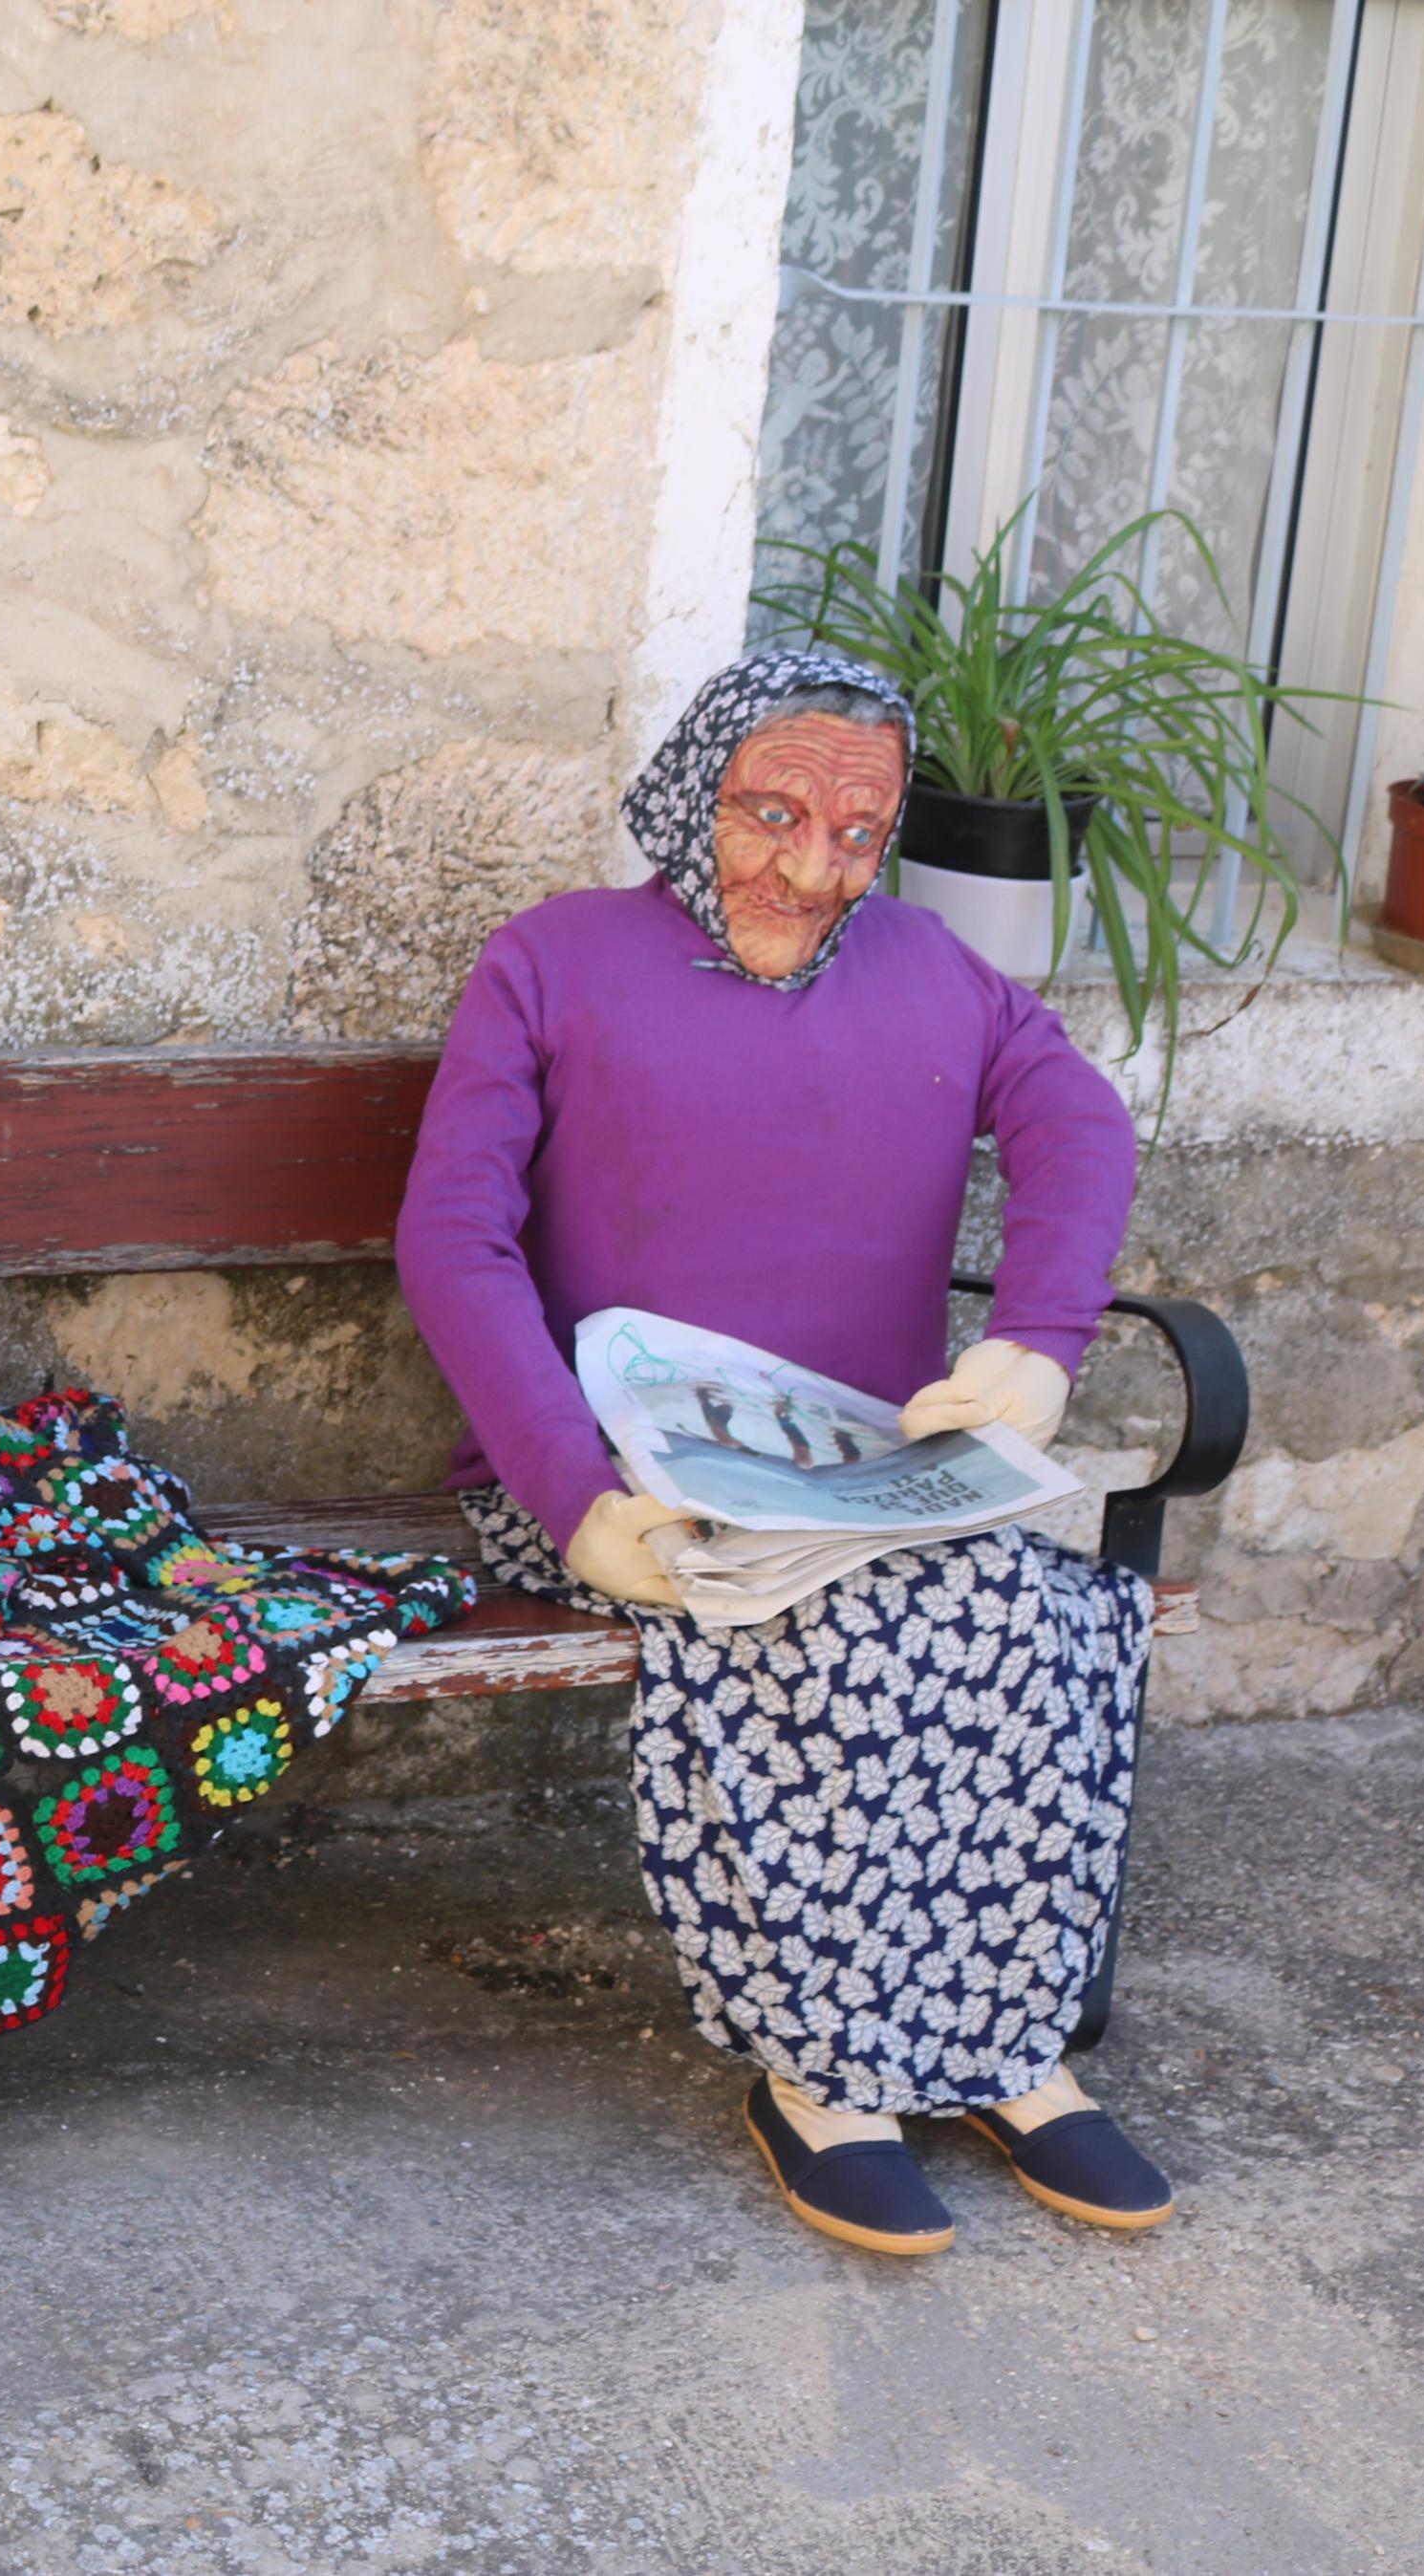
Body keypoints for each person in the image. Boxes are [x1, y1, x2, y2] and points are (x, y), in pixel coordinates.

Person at [393, 645, 1179, 2258]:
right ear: (695, 794)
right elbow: (452, 1239)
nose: (813, 869)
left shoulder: (935, 970)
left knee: (1034, 1623)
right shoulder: (551, 962)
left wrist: (1037, 1343)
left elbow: (1075, 1121)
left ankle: (1000, 2044)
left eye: (856, 832)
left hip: (873, 1463)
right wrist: (572, 1490)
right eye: (773, 816)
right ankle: (823, 2077)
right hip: (615, 1484)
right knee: (830, 1632)